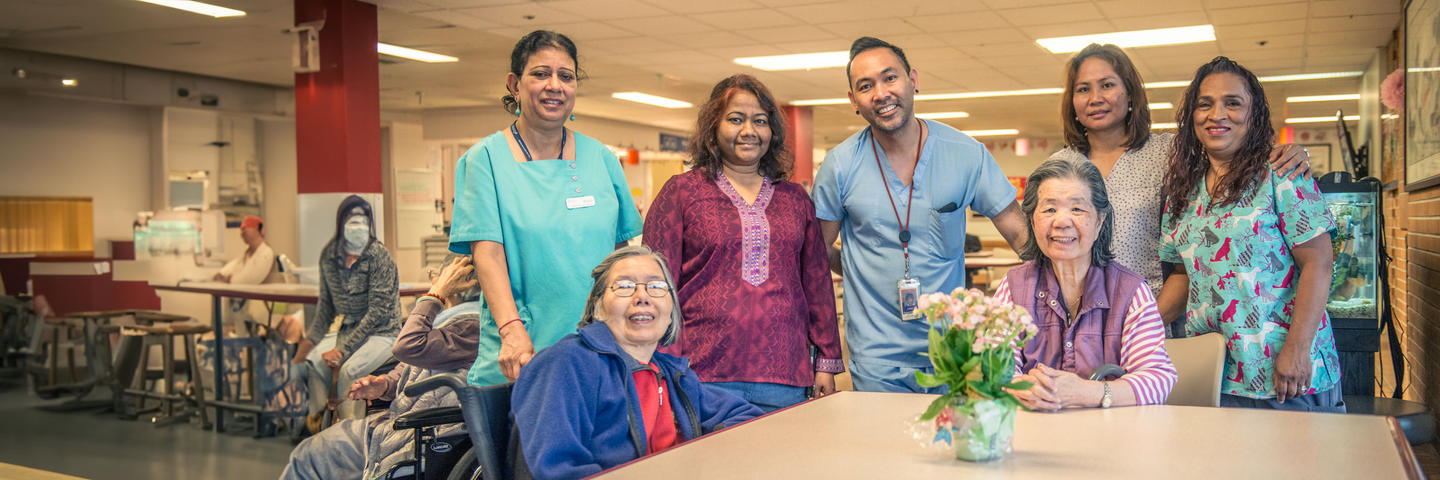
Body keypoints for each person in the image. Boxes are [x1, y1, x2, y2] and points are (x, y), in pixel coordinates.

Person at [811, 37, 1028, 393]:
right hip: (876, 356)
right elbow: (815, 253)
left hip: (954, 351)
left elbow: (1021, 238)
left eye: (890, 78)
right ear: (853, 100)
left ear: (913, 79)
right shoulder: (841, 165)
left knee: (952, 447)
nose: (880, 93)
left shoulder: (966, 154)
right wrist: (855, 268)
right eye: (866, 86)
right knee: (884, 448)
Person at [1046, 43, 1311, 326]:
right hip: (1077, 319)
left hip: (1154, 317)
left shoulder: (1171, 153)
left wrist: (1295, 152)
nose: (1095, 98)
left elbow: (1230, 147)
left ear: (1130, 93)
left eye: (1107, 85)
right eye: (1083, 89)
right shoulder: (1060, 166)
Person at [449, 30, 643, 387]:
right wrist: (510, 330)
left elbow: (621, 256)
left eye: (566, 76)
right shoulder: (484, 161)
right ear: (514, 84)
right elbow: (487, 254)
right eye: (540, 74)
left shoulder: (600, 158)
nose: (555, 85)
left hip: (600, 348)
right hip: (523, 353)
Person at [643, 74, 842, 412]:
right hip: (701, 372)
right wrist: (665, 362)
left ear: (772, 132)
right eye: (736, 119)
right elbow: (656, 284)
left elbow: (817, 284)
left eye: (760, 121)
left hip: (785, 374)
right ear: (713, 127)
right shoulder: (682, 193)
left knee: (779, 464)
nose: (749, 130)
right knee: (706, 465)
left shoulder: (794, 199)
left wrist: (826, 358)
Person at [1158, 56, 1343, 412]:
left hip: (1285, 375)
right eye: (1205, 104)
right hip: (1212, 373)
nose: (1217, 114)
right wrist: (1135, 328)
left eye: (1233, 102)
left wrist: (1298, 349)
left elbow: (1319, 263)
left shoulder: (1282, 174)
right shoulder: (1182, 192)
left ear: (1253, 113)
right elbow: (1183, 276)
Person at [512, 246, 762, 480]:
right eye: (624, 286)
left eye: (656, 286)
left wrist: (701, 462)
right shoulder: (566, 363)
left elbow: (749, 419)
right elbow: (559, 469)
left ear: (671, 309)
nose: (642, 296)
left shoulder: (673, 374)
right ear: (597, 306)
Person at [993, 159, 1176, 411]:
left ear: (1100, 220)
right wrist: (1026, 390)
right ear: (1033, 222)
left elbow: (1158, 379)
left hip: (1112, 438)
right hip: (1033, 433)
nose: (1062, 221)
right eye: (1049, 210)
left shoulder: (1132, 291)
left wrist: (1087, 393)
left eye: (1077, 209)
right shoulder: (1012, 288)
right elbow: (992, 369)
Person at [282, 256, 482, 480]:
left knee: (307, 457)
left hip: (420, 437)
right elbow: (413, 366)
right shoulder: (453, 324)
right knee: (312, 450)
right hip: (399, 424)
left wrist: (436, 294)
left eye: (439, 279)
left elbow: (407, 346)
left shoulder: (469, 327)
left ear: (455, 285)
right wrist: (385, 385)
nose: (433, 281)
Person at [292, 195, 402, 423]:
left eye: (362, 221)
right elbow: (326, 309)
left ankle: (350, 433)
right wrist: (308, 342)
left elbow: (377, 313)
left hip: (382, 334)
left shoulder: (379, 257)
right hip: (348, 330)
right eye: (351, 220)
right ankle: (320, 425)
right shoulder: (330, 257)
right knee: (314, 364)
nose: (357, 227)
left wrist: (342, 350)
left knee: (349, 371)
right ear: (341, 223)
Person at [213, 215, 280, 284]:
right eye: (242, 229)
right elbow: (231, 268)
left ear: (260, 230)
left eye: (246, 227)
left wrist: (228, 280)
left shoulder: (266, 253)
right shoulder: (246, 254)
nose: (242, 232)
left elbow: (249, 280)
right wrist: (221, 274)